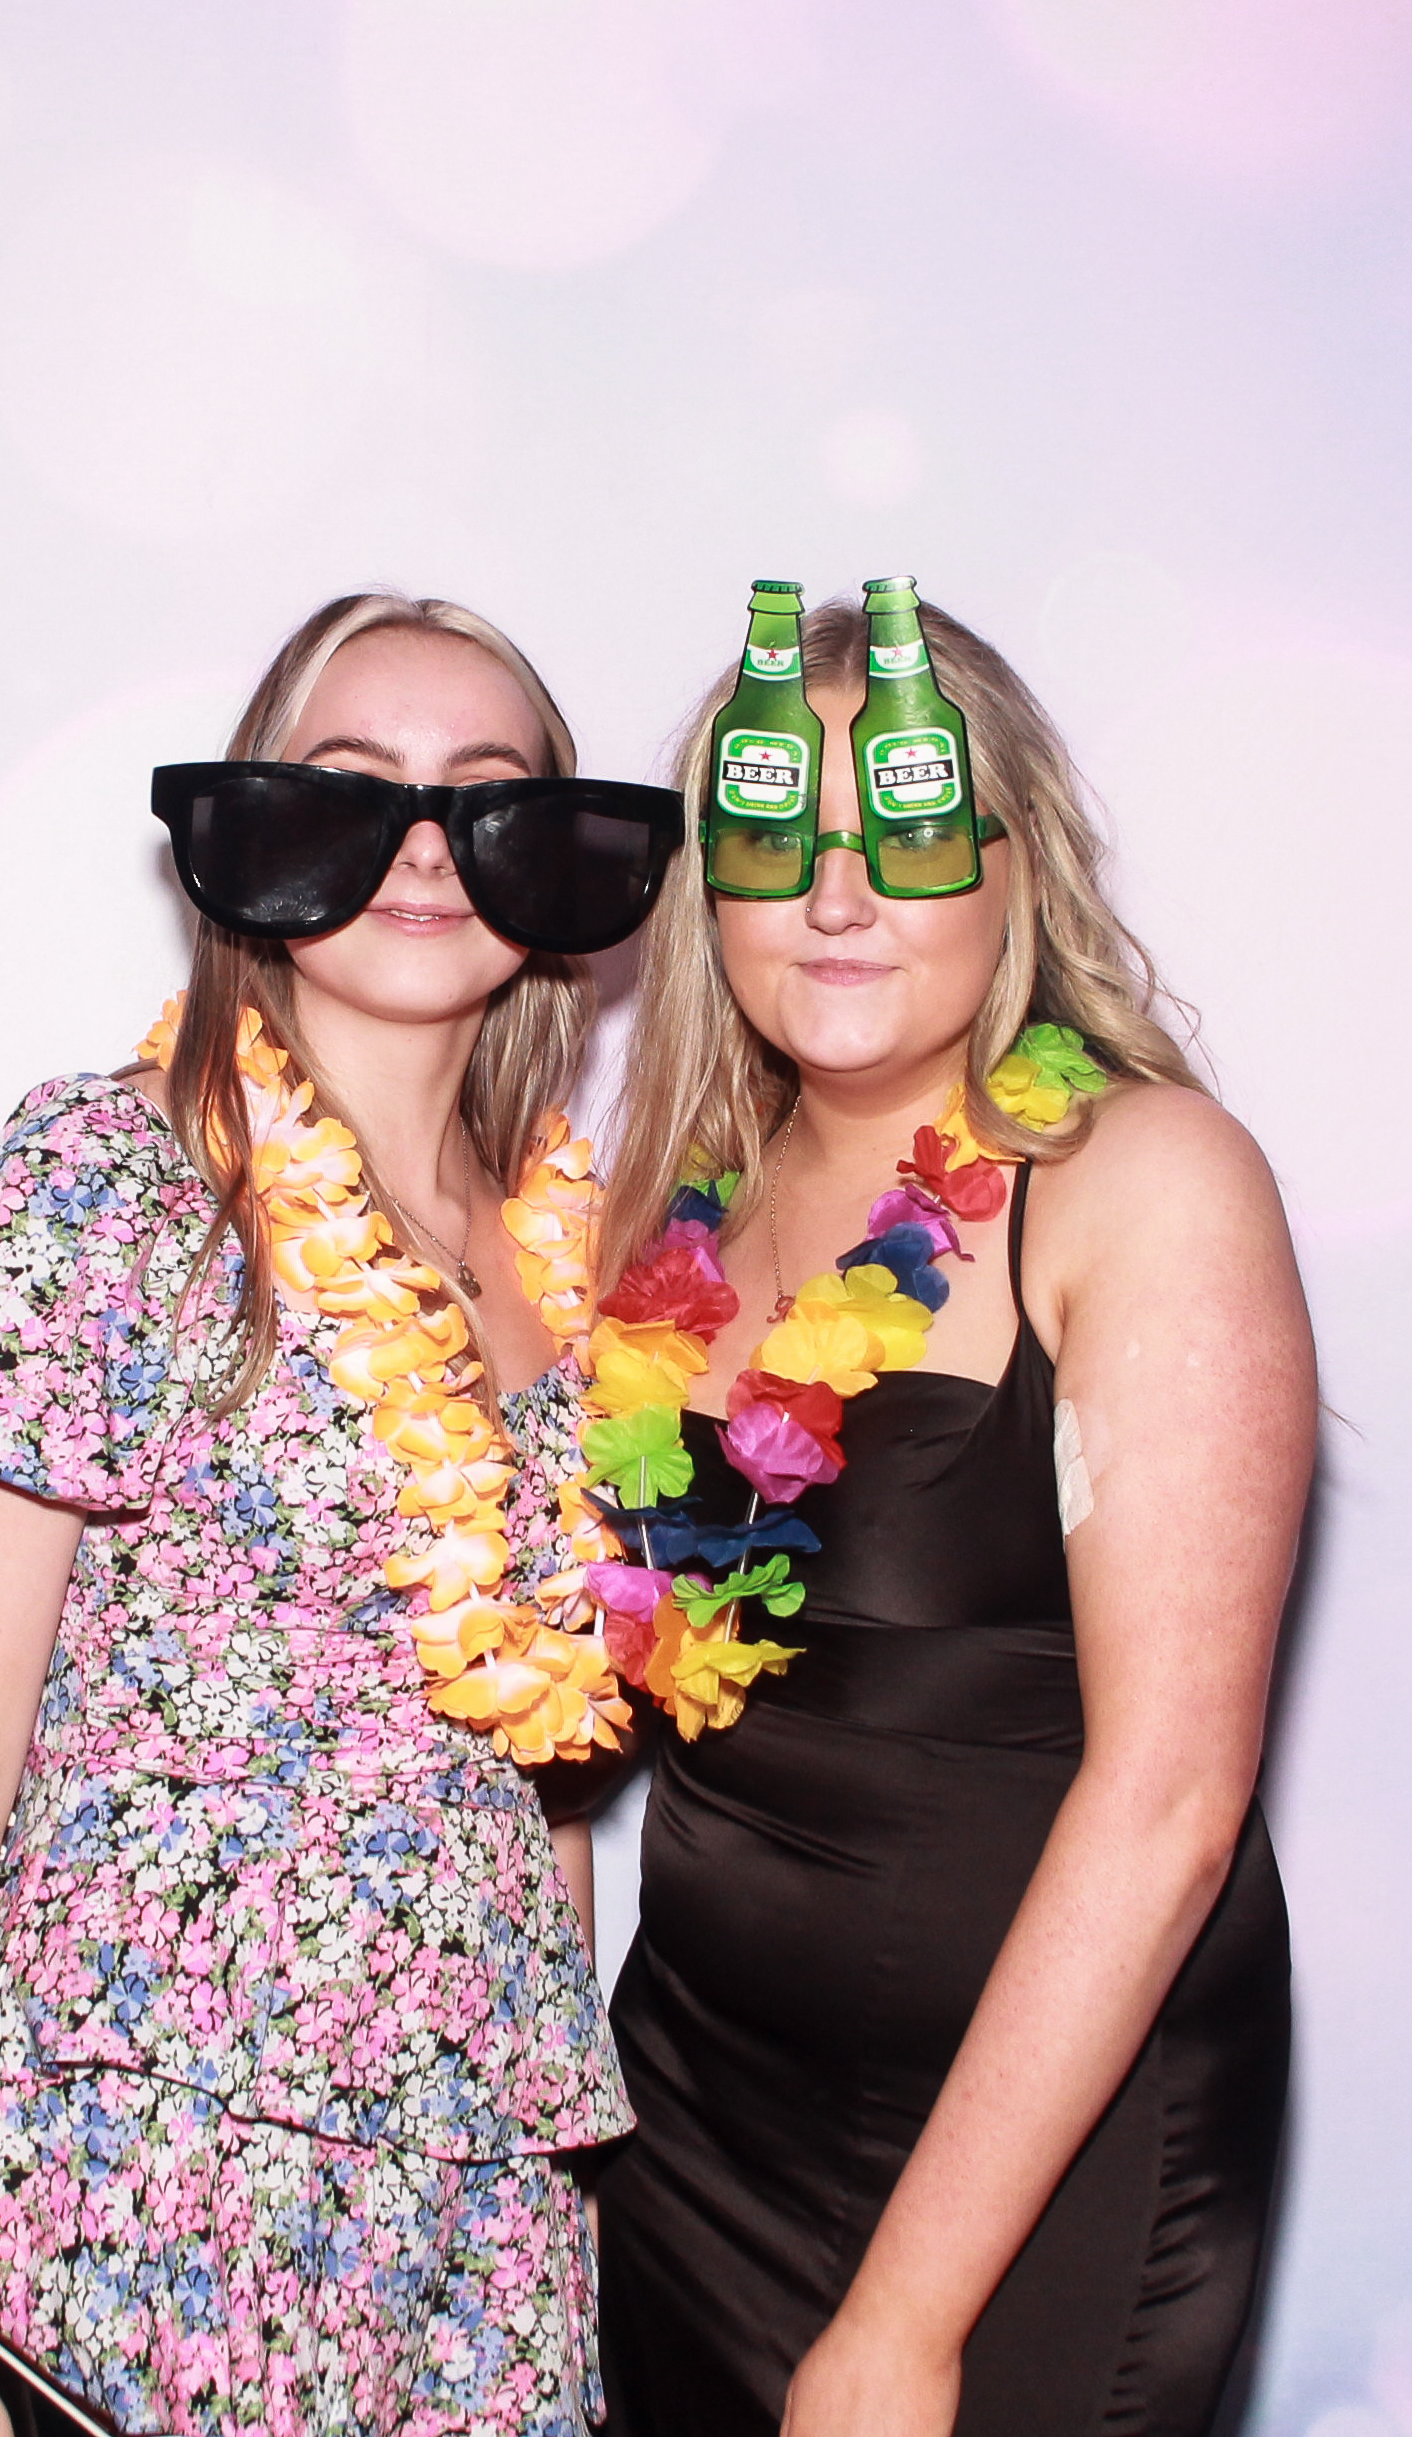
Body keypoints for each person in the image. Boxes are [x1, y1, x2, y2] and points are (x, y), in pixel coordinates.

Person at [0, 592, 686, 2437]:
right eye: (355, 787)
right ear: (258, 839)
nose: (424, 848)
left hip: (470, 2252)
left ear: (552, 858)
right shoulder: (108, 1185)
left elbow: (541, 1781)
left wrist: (557, 2223)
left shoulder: (576, 1260)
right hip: (142, 2208)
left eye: (483, 796)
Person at [586, 587, 1315, 2437]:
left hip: (1037, 2165)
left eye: (906, 834)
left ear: (1014, 863)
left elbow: (1171, 1803)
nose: (837, 897)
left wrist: (905, 2324)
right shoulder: (673, 1217)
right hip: (690, 2127)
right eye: (779, 839)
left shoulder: (1141, 1178)